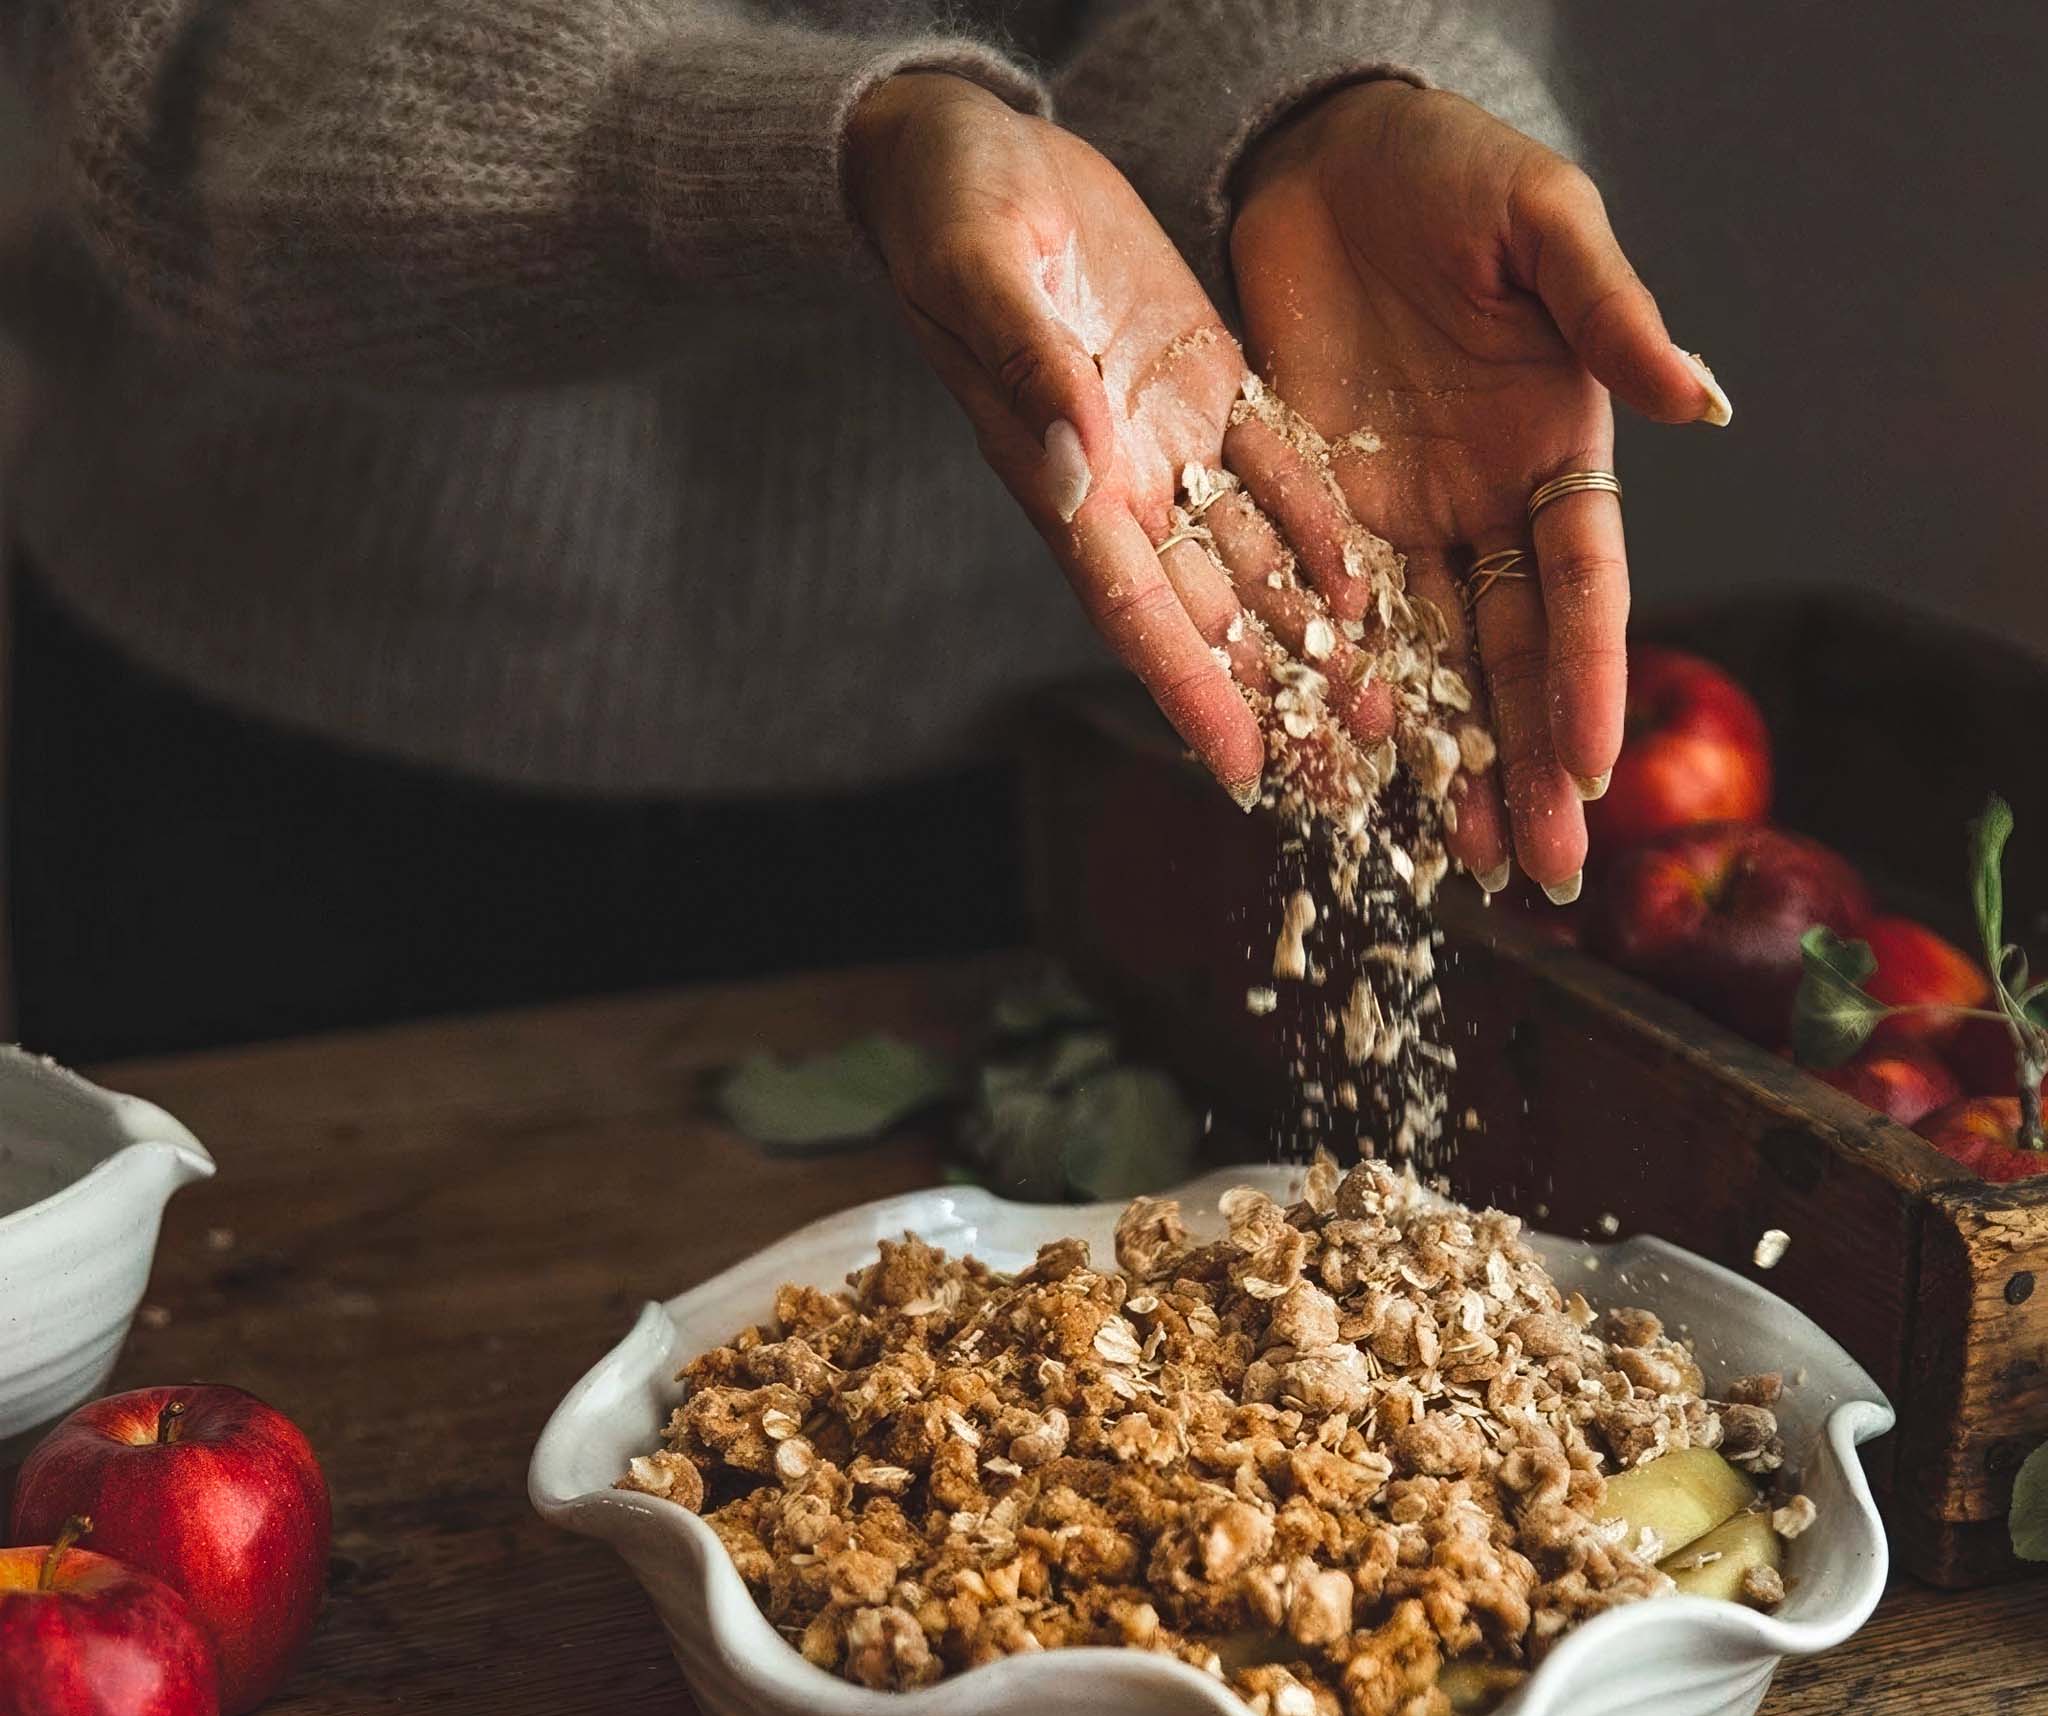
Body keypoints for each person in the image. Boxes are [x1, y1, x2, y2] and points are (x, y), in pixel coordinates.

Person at [0, 1, 1725, 1060]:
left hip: (1042, 710)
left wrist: (1334, 92)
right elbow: (183, 68)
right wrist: (826, 143)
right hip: (294, 706)